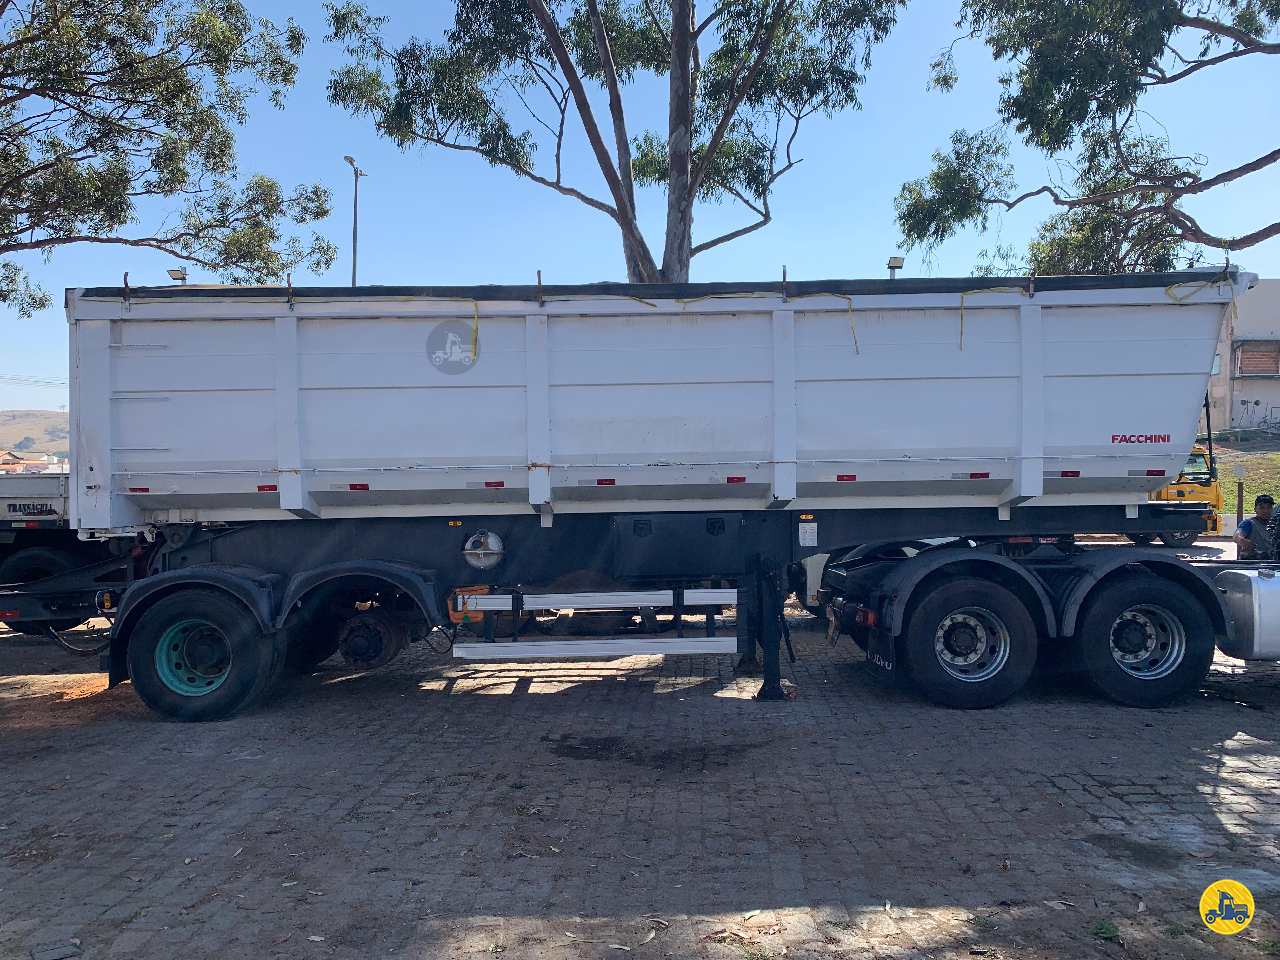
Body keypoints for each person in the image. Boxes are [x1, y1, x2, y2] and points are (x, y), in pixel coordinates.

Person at [1235, 494, 1276, 560]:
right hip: (1253, 565)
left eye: (1269, 508)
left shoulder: (1276, 525)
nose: (1266, 511)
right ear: (1255, 509)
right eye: (1262, 508)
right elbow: (1237, 535)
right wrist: (1242, 541)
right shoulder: (1249, 523)